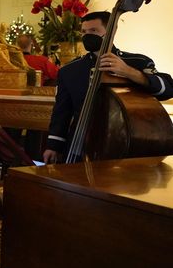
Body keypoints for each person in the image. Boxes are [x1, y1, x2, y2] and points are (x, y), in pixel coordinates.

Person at [43, 11, 173, 163]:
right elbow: (62, 112)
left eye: (94, 31)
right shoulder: (69, 71)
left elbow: (167, 90)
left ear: (111, 31)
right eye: (84, 32)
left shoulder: (137, 61)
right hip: (79, 142)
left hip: (125, 143)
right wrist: (54, 145)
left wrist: (128, 72)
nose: (87, 35)